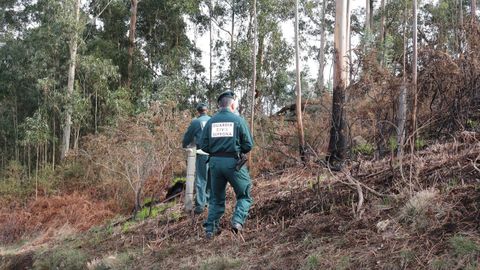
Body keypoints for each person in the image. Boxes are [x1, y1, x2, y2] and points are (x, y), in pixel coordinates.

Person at [200, 90, 254, 239]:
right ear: (232, 104)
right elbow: (249, 145)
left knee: (216, 199)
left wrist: (216, 151)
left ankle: (210, 229)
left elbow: (203, 146)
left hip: (215, 164)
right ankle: (237, 222)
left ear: (220, 105)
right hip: (234, 163)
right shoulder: (238, 120)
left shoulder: (211, 121)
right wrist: (236, 150)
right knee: (244, 195)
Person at [182, 103, 211, 214]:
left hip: (202, 152)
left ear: (198, 111)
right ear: (206, 110)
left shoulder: (196, 122)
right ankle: (208, 201)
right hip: (214, 153)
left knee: (200, 179)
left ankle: (200, 205)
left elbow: (188, 136)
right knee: (210, 179)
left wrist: (185, 145)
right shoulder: (212, 120)